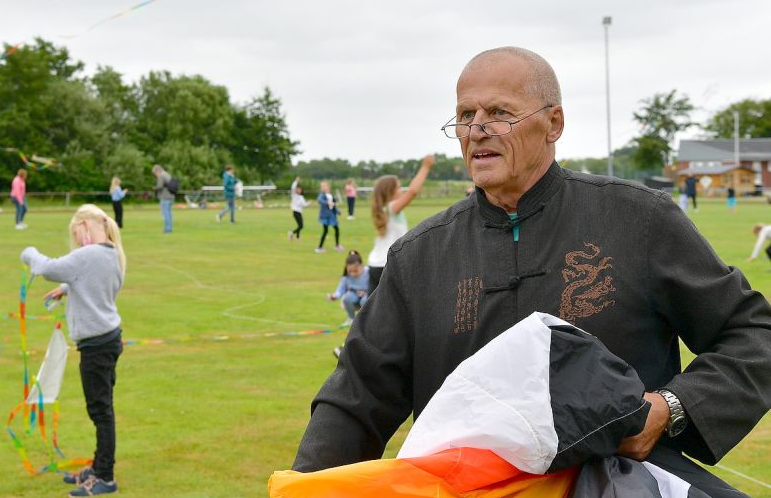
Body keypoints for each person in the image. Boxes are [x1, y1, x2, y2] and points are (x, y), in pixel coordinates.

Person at [291, 46, 771, 497]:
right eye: (465, 116)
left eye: (499, 112)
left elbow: (754, 335)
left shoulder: (638, 218)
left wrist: (669, 409)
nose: (477, 129)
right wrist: (308, 485)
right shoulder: (419, 255)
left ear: (553, 123)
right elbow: (356, 399)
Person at [21, 204, 127, 497]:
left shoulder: (89, 254)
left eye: (77, 234)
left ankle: (105, 476)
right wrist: (68, 289)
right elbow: (98, 283)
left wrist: (28, 252)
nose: (77, 240)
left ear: (85, 226)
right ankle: (98, 466)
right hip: (108, 340)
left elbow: (46, 268)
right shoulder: (111, 253)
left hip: (96, 346)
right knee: (101, 408)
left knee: (100, 411)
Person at [366, 155, 435, 296]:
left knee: (376, 313)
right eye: (398, 188)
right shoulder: (391, 208)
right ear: (389, 192)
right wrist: (425, 167)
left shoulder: (385, 210)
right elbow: (412, 192)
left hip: (375, 264)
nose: (401, 191)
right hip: (386, 266)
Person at [328, 250, 369, 358]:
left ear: (361, 266)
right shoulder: (346, 277)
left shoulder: (368, 272)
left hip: (366, 296)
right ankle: (351, 318)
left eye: (355, 271)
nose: (353, 274)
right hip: (354, 296)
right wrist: (335, 296)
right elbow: (341, 289)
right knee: (347, 298)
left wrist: (366, 292)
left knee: (364, 301)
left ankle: (364, 319)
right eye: (350, 271)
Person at [315, 182, 342, 253]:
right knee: (325, 231)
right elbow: (319, 200)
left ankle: (337, 245)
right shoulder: (322, 195)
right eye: (323, 187)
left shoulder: (330, 195)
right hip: (325, 216)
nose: (325, 188)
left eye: (326, 186)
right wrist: (327, 202)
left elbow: (333, 205)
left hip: (332, 216)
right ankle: (319, 248)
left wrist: (338, 211)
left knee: (336, 229)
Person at [152, 165, 174, 233]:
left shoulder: (161, 175)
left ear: (157, 170)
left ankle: (167, 229)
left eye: (155, 173)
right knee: (169, 213)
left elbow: (160, 186)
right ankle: (169, 228)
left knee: (165, 213)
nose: (155, 175)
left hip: (165, 197)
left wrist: (154, 188)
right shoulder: (167, 174)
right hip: (171, 196)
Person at [289, 176, 307, 241]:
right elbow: (293, 187)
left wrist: (309, 203)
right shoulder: (294, 195)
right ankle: (291, 233)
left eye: (300, 189)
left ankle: (298, 238)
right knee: (301, 226)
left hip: (299, 212)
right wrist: (296, 181)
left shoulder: (301, 197)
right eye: (298, 189)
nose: (299, 190)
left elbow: (304, 204)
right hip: (295, 212)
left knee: (299, 225)